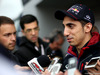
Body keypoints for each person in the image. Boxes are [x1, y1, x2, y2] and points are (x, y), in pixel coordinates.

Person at [55, 4, 100, 75]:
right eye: (64, 26)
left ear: (87, 27)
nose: (65, 33)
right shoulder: (69, 55)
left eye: (71, 26)